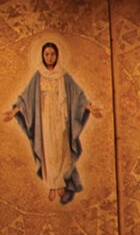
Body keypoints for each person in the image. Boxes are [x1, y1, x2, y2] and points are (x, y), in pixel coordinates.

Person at [4, 42, 99, 204]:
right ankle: (51, 185)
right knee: (48, 149)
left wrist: (90, 108)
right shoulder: (38, 75)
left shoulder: (63, 75)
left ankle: (60, 182)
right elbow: (26, 97)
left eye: (52, 54)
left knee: (61, 148)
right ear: (42, 55)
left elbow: (77, 95)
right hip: (44, 117)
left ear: (57, 55)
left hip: (61, 116)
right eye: (46, 54)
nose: (49, 57)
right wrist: (13, 112)